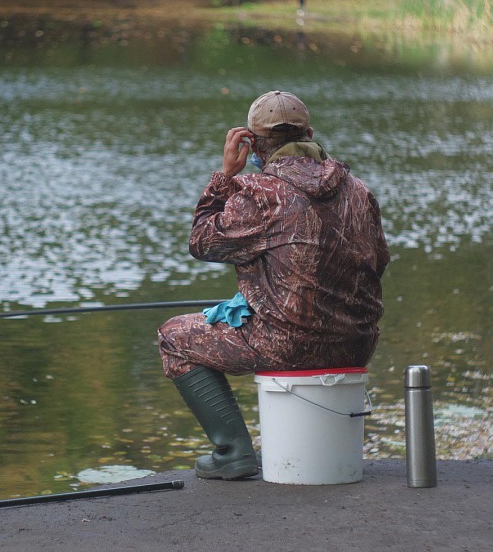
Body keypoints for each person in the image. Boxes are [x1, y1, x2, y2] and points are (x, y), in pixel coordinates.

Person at [158, 90, 389, 480]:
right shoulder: (359, 190)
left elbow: (201, 242)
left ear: (252, 144)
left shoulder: (258, 191)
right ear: (310, 133)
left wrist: (225, 176)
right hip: (358, 341)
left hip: (287, 343)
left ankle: (232, 452)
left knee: (173, 338)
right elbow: (378, 261)